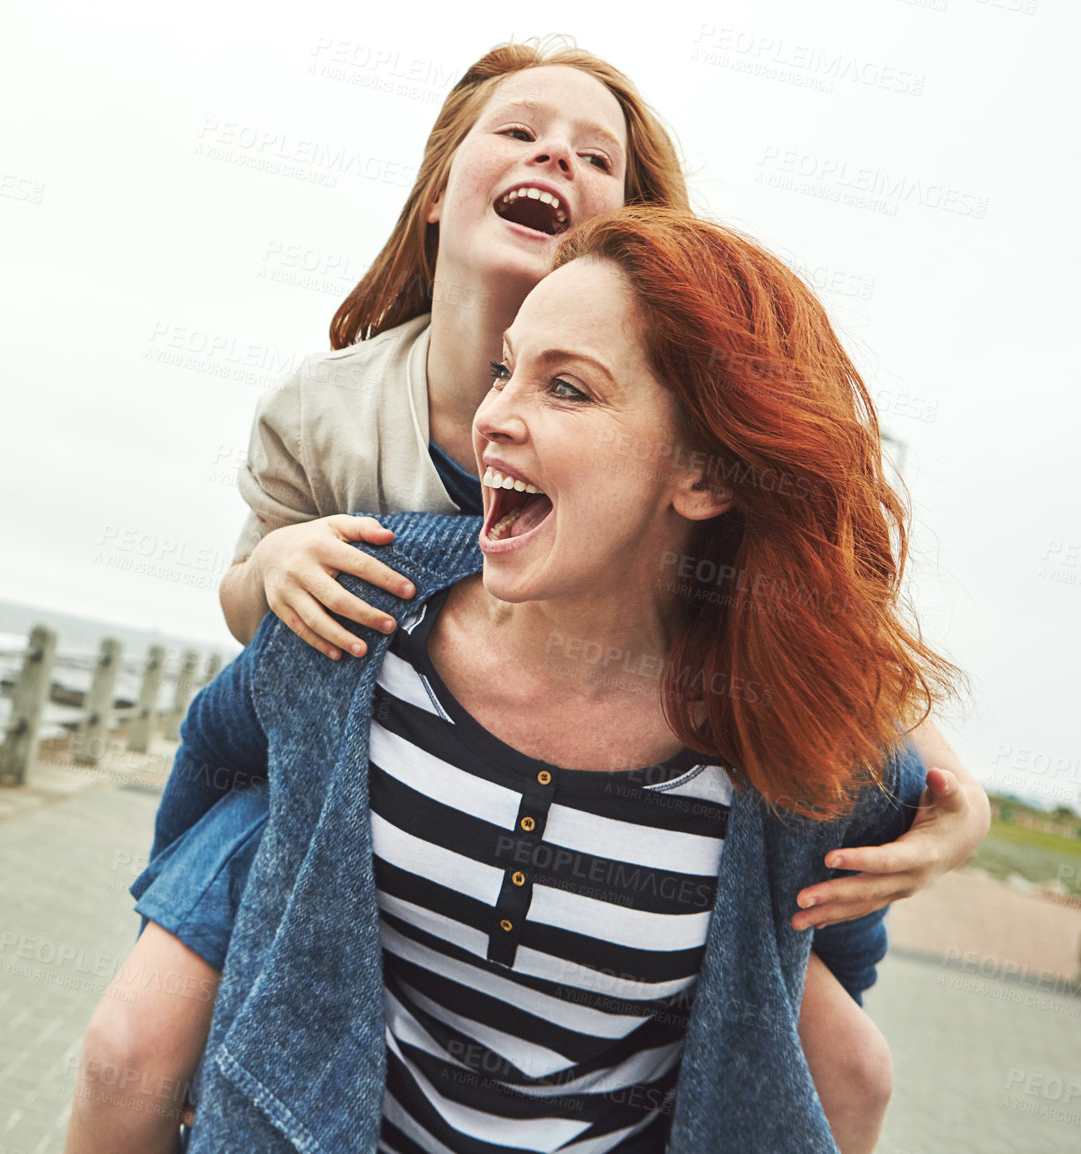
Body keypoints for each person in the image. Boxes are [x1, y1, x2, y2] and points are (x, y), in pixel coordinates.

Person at [65, 38, 983, 1154]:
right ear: (437, 192)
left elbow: (840, 652)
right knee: (127, 1045)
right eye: (519, 129)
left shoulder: (678, 461)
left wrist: (955, 801)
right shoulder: (341, 421)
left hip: (654, 784)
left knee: (846, 1069)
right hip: (318, 765)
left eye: (596, 154)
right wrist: (276, 569)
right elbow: (234, 688)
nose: (555, 150)